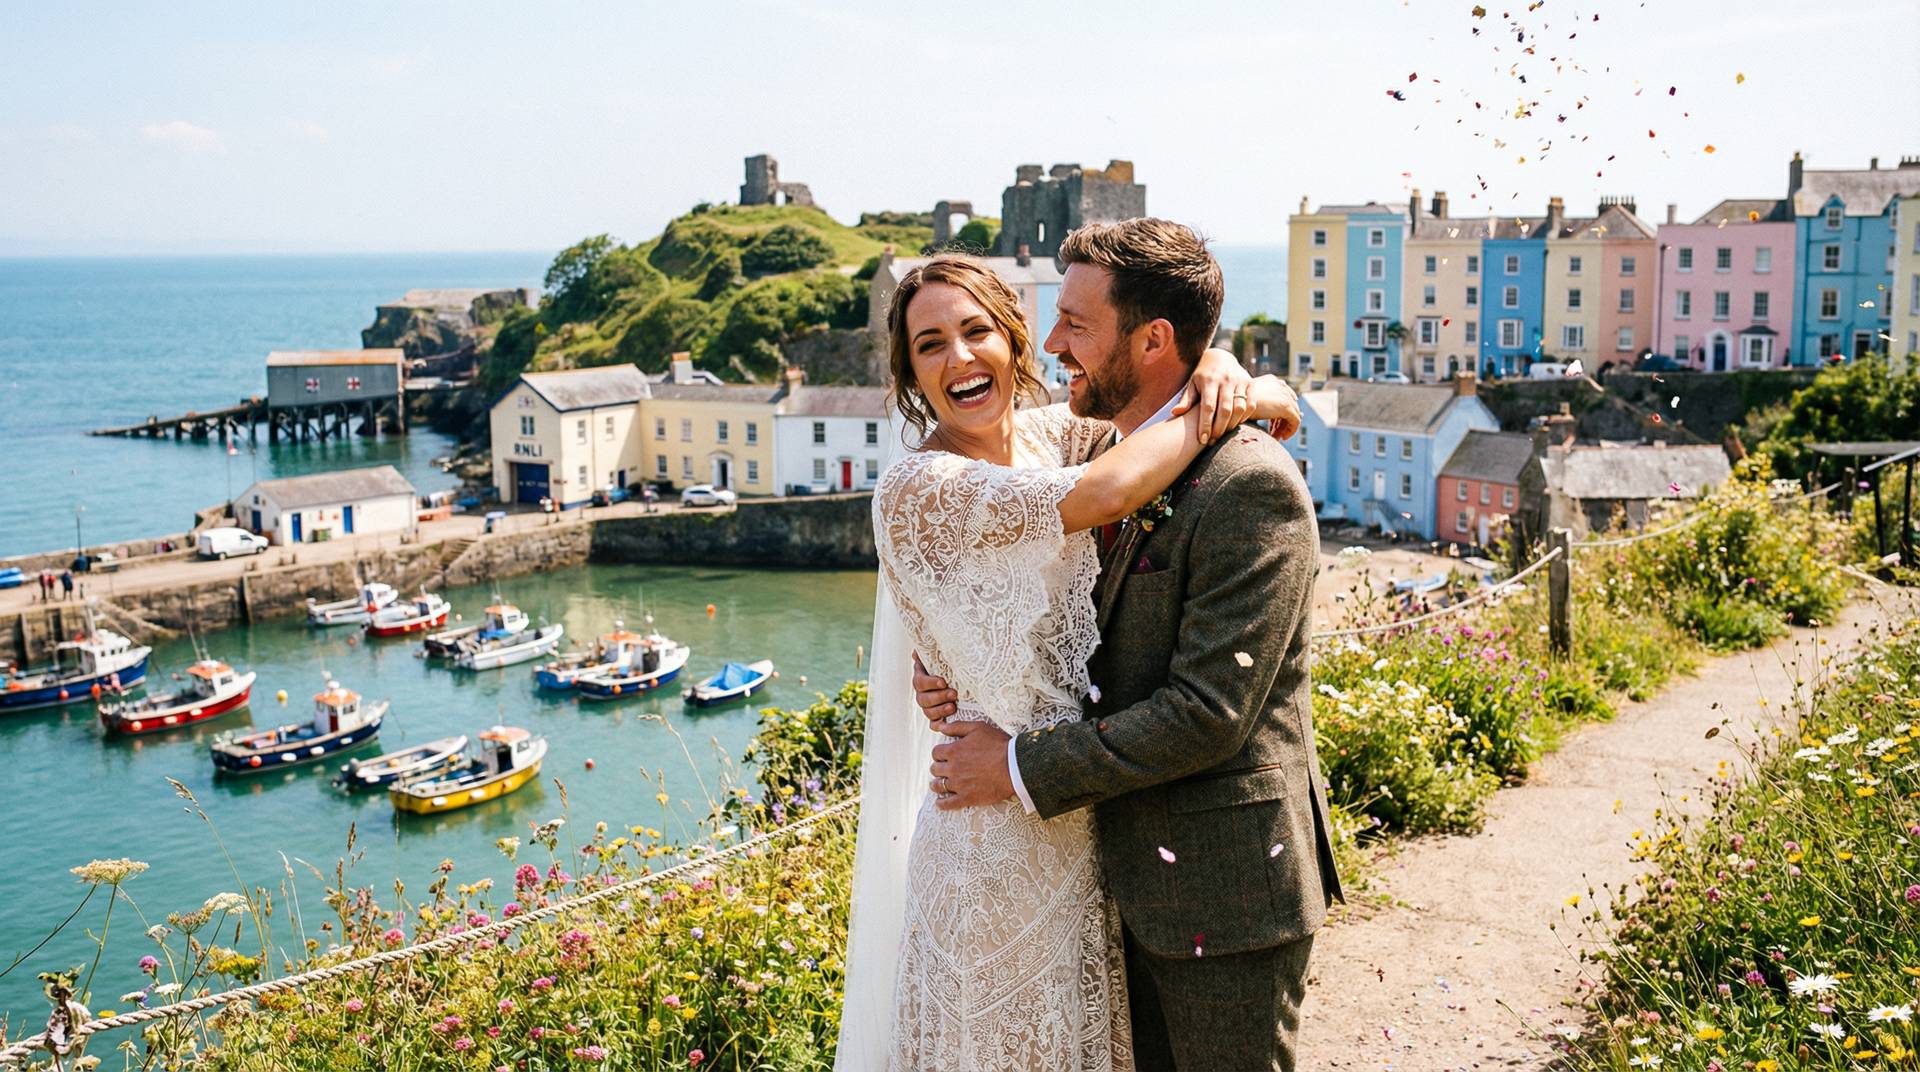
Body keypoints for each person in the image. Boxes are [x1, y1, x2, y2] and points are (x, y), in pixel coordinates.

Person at [836, 246, 1301, 1072]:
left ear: (1014, 341)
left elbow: (1146, 405)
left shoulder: (1060, 437)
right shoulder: (920, 488)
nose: (959, 357)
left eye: (977, 330)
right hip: (989, 837)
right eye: (929, 345)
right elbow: (1110, 492)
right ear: (909, 375)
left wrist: (1231, 372)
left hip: (1087, 834)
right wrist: (1216, 399)